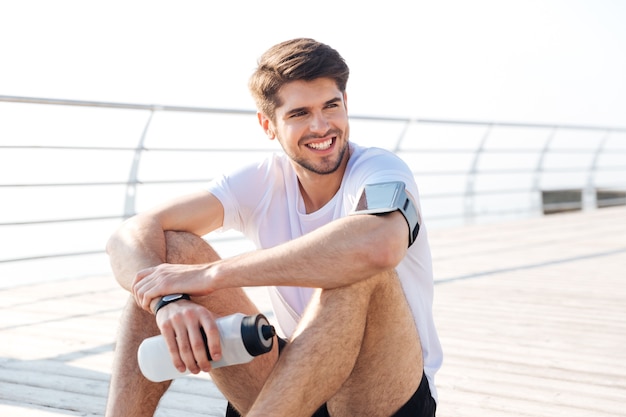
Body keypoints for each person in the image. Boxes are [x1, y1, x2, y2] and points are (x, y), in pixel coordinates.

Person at [105, 37, 442, 417]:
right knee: (170, 256)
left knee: (357, 270)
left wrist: (210, 275)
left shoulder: (380, 169)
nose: (322, 126)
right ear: (269, 125)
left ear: (346, 105)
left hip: (381, 391)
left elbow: (378, 246)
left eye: (331, 106)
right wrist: (168, 301)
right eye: (299, 114)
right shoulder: (264, 181)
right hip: (295, 383)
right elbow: (130, 234)